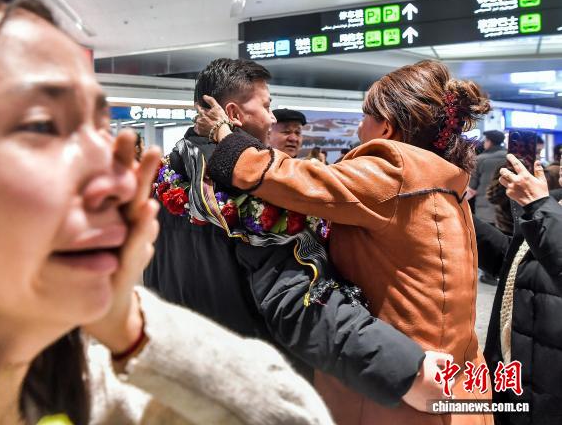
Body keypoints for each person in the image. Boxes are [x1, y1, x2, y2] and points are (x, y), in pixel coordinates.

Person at [0, 0, 333, 425]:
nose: (118, 179)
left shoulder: (91, 377)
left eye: (98, 129)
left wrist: (129, 324)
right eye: (42, 125)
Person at [195, 59, 494, 425]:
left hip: (405, 388)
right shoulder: (442, 177)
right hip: (456, 385)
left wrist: (225, 137)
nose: (358, 127)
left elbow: (290, 179)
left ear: (386, 126)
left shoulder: (395, 167)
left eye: (364, 116)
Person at [145, 58, 446, 412]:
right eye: (266, 106)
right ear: (233, 114)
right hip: (254, 384)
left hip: (183, 371)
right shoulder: (255, 194)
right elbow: (297, 303)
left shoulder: (167, 176)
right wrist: (403, 371)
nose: (272, 118)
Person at [475, 154, 562, 424]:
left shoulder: (546, 206)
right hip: (517, 361)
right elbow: (516, 263)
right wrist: (460, 213)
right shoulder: (554, 202)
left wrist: (539, 206)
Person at [468, 130, 507, 285]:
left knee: (487, 240)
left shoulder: (481, 159)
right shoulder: (509, 157)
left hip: (484, 206)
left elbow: (472, 188)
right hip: (504, 207)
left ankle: (489, 275)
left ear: (489, 141)